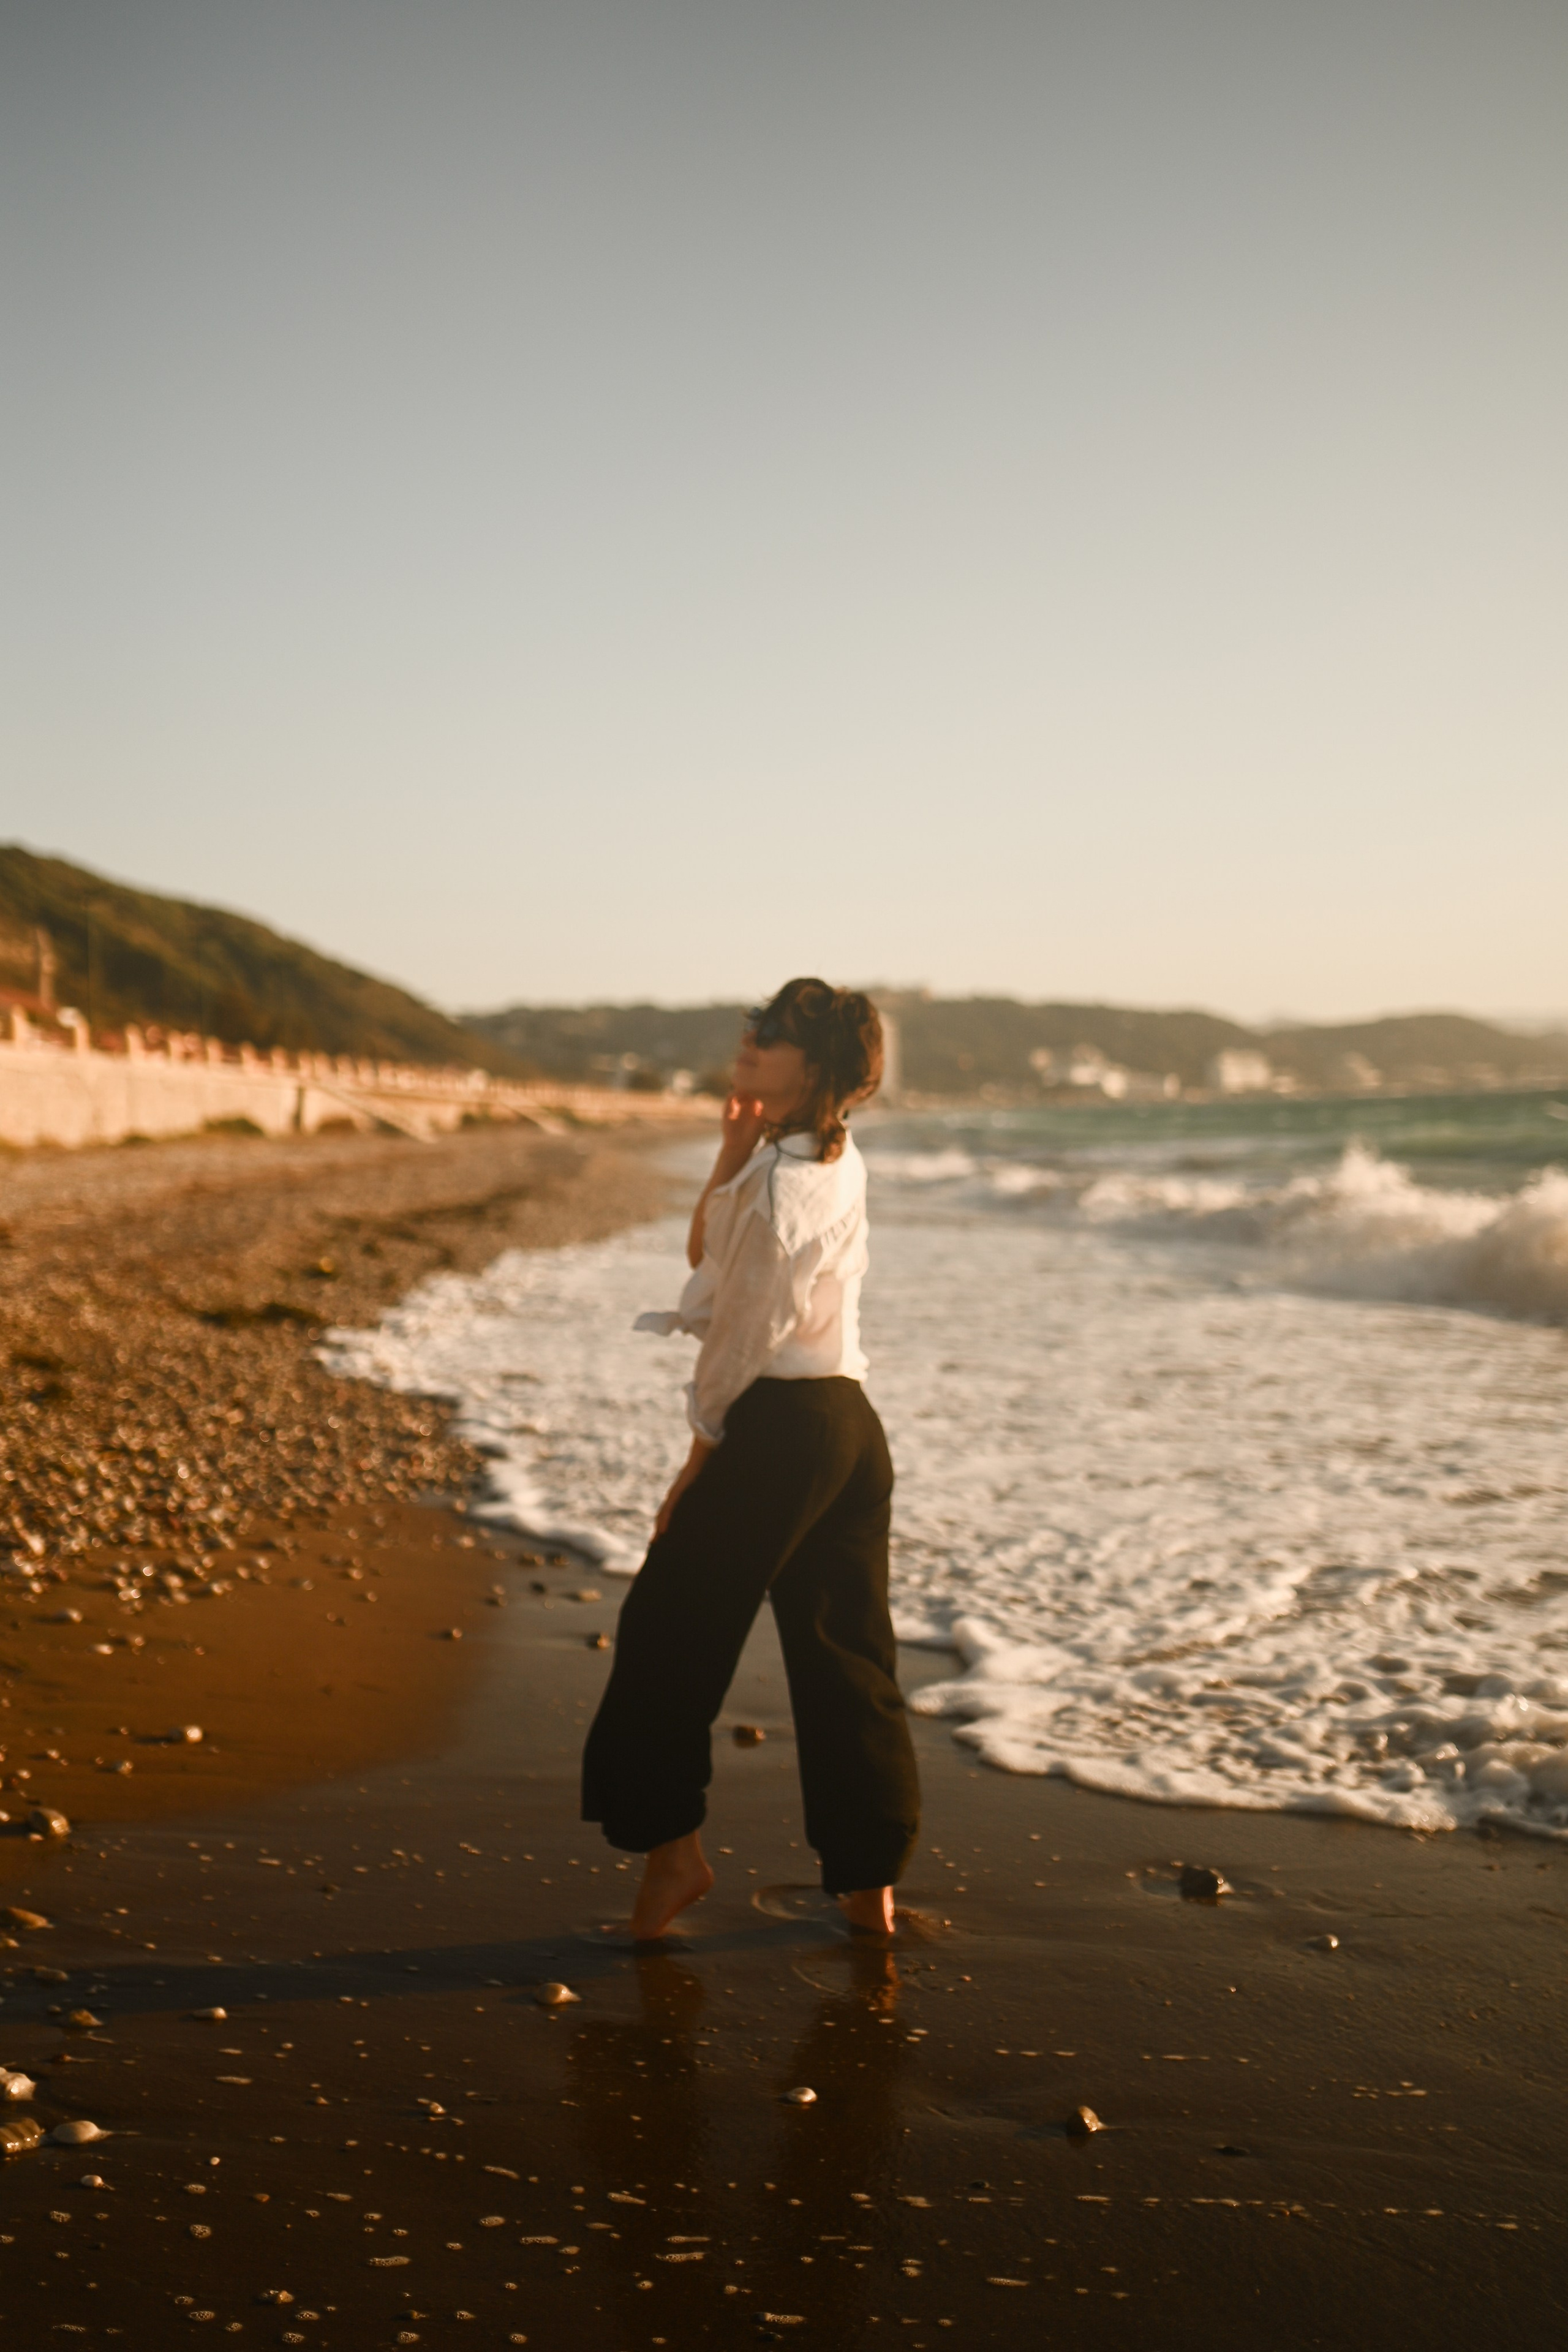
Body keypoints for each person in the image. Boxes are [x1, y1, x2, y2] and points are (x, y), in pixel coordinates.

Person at [581, 977, 921, 1940]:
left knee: (666, 1638)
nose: (749, 1042)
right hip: (850, 1430)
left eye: (771, 1035)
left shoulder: (780, 1186)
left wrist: (698, 1459)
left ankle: (674, 1858)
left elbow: (740, 1340)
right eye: (754, 1026)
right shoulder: (820, 1158)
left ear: (813, 1068)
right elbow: (709, 1253)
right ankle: (870, 1888)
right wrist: (730, 1151)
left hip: (782, 1431)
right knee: (846, 1662)